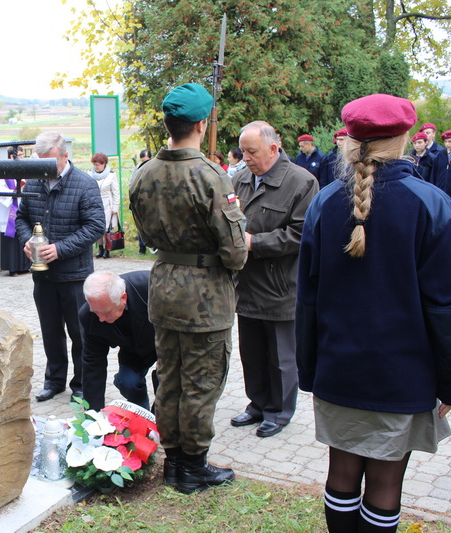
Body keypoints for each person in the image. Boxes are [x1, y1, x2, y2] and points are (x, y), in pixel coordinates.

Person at [296, 93, 451, 533]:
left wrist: (310, 371)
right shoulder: (432, 203)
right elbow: (443, 306)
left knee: (341, 475)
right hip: (403, 374)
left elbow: (306, 297)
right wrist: (448, 381)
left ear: (349, 140)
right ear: (404, 139)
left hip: (338, 368)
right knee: (386, 482)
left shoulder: (324, 202)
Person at [129, 83, 248, 494]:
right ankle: (192, 467)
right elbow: (235, 252)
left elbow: (145, 235)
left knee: (170, 378)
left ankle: (175, 461)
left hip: (163, 287)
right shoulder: (211, 176)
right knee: (202, 380)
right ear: (201, 125)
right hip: (205, 295)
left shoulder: (143, 173)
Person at [230, 121, 318, 438]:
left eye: (252, 152)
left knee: (281, 358)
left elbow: (302, 234)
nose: (246, 158)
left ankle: (279, 411)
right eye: (243, 151)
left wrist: (255, 243)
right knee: (252, 353)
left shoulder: (301, 182)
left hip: (281, 286)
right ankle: (257, 404)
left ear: (273, 148)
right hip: (246, 283)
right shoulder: (240, 179)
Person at [15, 131, 104, 402]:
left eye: (50, 160)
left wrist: (59, 249)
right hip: (43, 275)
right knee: (50, 332)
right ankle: (54, 381)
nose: (45, 167)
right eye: (40, 160)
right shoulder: (33, 183)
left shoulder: (85, 184)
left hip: (75, 275)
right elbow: (21, 218)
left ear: (65, 155)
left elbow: (96, 227)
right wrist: (27, 241)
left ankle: (81, 384)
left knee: (80, 333)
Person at [79, 271, 157, 411]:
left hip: (167, 343)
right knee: (128, 382)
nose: (101, 319)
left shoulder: (152, 287)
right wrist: (92, 415)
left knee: (167, 385)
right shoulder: (88, 316)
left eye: (106, 312)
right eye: (95, 312)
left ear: (123, 298)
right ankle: (141, 413)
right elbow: (93, 364)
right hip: (133, 351)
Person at [0, 147, 32, 276]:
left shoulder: (23, 171)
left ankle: (24, 266)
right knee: (11, 239)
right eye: (20, 155)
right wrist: (15, 192)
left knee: (23, 235)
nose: (22, 157)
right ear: (11, 156)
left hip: (22, 208)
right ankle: (12, 268)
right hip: (9, 210)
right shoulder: (3, 173)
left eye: (22, 155)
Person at [89, 152, 120, 259]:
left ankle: (108, 249)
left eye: (98, 165)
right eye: (94, 165)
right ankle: (100, 248)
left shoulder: (111, 175)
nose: (96, 167)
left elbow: (116, 193)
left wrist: (115, 207)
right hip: (94, 204)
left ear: (104, 164)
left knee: (107, 229)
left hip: (107, 205)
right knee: (97, 227)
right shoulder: (90, 174)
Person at [129, 150, 152, 254]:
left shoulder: (154, 168)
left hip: (151, 201)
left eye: (146, 160)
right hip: (140, 201)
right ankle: (142, 247)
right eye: (143, 160)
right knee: (140, 224)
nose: (144, 163)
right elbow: (132, 184)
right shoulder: (137, 169)